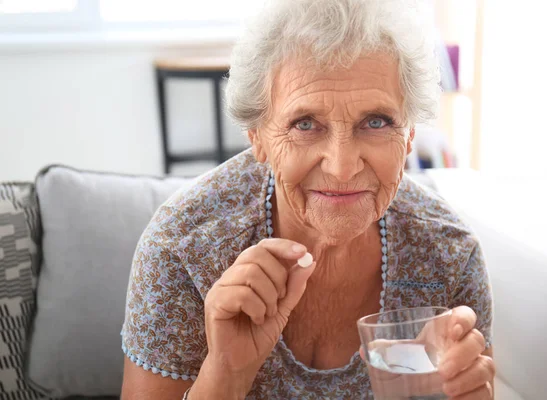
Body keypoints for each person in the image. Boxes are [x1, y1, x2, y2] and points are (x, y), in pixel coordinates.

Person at [120, 0, 495, 398]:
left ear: (409, 137)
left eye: (376, 122)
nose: (342, 167)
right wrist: (226, 374)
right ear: (257, 137)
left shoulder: (449, 256)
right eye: (305, 124)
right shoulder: (182, 251)